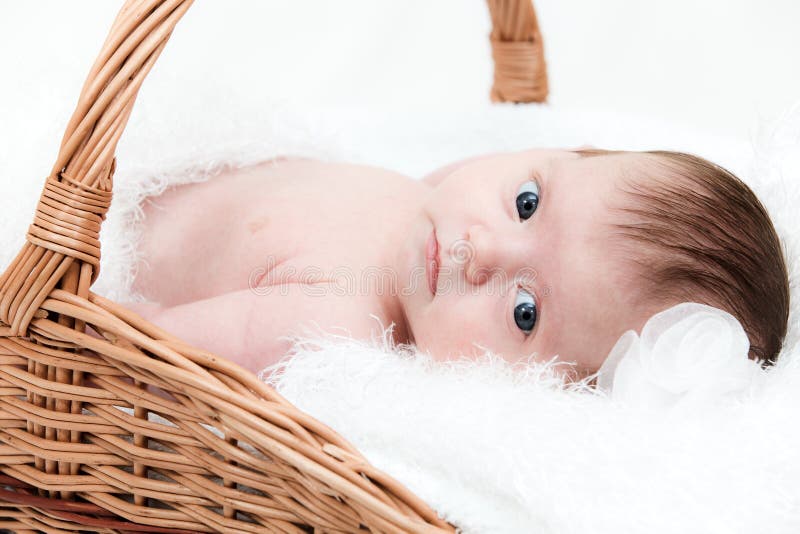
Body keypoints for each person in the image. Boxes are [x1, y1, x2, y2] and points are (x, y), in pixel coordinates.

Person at [126, 148, 790, 377]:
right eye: (527, 202)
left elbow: (144, 354)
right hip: (126, 166)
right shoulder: (437, 194)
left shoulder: (337, 324)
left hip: (74, 250)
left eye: (525, 312)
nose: (485, 250)